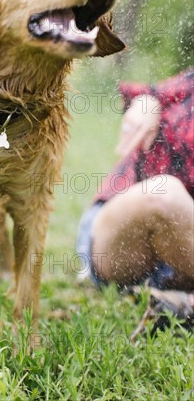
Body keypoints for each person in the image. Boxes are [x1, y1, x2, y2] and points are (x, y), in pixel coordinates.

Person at [76, 69, 194, 332]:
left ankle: (181, 303)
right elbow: (150, 94)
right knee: (165, 195)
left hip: (182, 266)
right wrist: (146, 102)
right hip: (124, 237)